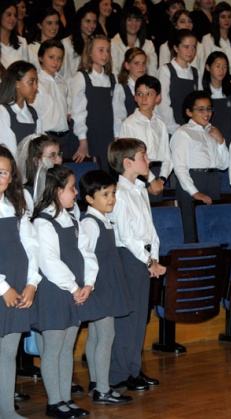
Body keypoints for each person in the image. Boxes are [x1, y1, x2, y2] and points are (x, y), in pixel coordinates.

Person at [32, 164, 97, 418]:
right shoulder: (42, 222)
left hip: (76, 290)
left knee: (67, 345)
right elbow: (49, 261)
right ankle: (54, 402)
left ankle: (66, 399)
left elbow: (86, 251)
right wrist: (73, 286)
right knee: (54, 347)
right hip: (56, 291)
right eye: (71, 189)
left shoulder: (71, 218)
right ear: (58, 191)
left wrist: (89, 283)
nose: (75, 194)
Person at [108, 138, 165, 391]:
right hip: (130, 257)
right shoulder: (118, 193)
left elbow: (149, 230)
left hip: (143, 257)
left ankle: (133, 368)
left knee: (140, 316)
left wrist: (156, 258)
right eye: (143, 156)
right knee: (128, 317)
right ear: (128, 162)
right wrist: (147, 259)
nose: (148, 161)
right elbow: (127, 234)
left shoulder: (140, 189)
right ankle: (120, 373)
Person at [79, 170, 133, 405]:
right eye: (105, 194)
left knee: (96, 335)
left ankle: (96, 382)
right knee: (105, 335)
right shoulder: (90, 223)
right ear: (89, 199)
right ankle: (102, 388)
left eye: (113, 193)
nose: (111, 198)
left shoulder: (103, 219)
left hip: (106, 283)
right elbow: (84, 255)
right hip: (99, 287)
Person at [0, 145, 39, 419]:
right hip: (4, 287)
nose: (0, 177)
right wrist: (3, 288)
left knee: (8, 352)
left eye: (5, 173)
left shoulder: (16, 205)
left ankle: (6, 411)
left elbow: (31, 246)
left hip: (18, 284)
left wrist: (32, 283)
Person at [170, 90, 228, 242]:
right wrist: (195, 192)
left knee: (212, 229)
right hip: (194, 181)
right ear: (189, 112)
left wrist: (221, 141)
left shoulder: (212, 132)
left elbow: (224, 165)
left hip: (213, 179)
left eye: (209, 109)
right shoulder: (183, 133)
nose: (206, 113)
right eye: (200, 109)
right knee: (192, 230)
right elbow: (180, 167)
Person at [119, 74, 172, 200]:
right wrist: (151, 180)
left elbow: (167, 157)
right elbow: (128, 156)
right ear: (134, 97)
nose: (143, 98)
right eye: (139, 94)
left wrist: (161, 180)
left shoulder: (161, 125)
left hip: (158, 178)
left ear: (158, 98)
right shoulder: (129, 123)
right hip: (138, 176)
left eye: (149, 94)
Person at [70, 35, 115, 168]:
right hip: (88, 136)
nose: (105, 54)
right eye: (100, 50)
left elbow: (118, 113)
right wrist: (83, 142)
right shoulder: (81, 77)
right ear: (89, 52)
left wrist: (116, 138)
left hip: (106, 135)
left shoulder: (112, 79)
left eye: (108, 50)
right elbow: (78, 113)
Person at [32, 40, 74, 158]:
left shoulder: (62, 82)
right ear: (40, 58)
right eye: (51, 57)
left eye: (59, 58)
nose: (55, 62)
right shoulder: (37, 82)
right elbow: (36, 113)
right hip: (47, 136)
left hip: (64, 137)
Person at [156, 28, 200, 135]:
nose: (191, 51)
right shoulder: (166, 70)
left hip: (191, 128)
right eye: (186, 47)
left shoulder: (194, 72)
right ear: (175, 48)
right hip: (172, 129)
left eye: (193, 47)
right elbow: (163, 104)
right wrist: (174, 128)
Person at [0, 60, 41, 158]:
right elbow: (9, 149)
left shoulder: (34, 113)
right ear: (17, 83)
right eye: (31, 82)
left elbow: (40, 146)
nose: (35, 87)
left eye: (36, 82)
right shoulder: (3, 111)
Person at [110, 6, 157, 77]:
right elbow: (114, 72)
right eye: (129, 20)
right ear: (124, 21)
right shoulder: (113, 43)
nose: (134, 23)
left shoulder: (149, 44)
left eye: (137, 20)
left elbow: (152, 72)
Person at [201, 50, 231, 145]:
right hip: (207, 139)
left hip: (228, 137)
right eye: (218, 66)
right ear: (208, 67)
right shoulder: (201, 90)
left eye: (225, 67)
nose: (221, 70)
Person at [113, 47, 146, 134]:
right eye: (136, 63)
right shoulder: (121, 87)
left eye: (143, 63)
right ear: (127, 65)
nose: (141, 67)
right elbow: (118, 116)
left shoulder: (149, 86)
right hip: (128, 133)